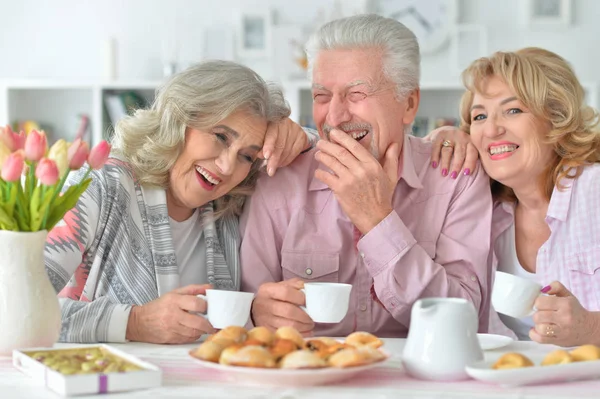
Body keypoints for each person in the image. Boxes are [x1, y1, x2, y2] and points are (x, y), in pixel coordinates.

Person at [239, 14, 494, 338]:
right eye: (321, 96)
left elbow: (463, 320)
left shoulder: (456, 176)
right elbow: (248, 312)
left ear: (409, 104)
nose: (334, 116)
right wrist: (255, 312)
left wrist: (377, 220)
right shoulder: (279, 179)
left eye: (356, 94)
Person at [45, 60, 317, 344]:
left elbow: (310, 147)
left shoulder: (230, 204)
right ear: (179, 119)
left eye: (247, 156)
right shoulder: (99, 187)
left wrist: (302, 137)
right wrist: (132, 322)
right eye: (221, 137)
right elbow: (14, 307)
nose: (226, 167)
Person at [428, 48, 600, 347]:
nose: (492, 129)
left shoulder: (594, 191)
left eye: (513, 110)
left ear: (557, 119)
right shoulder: (485, 207)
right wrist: (445, 136)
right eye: (480, 116)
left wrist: (591, 329)